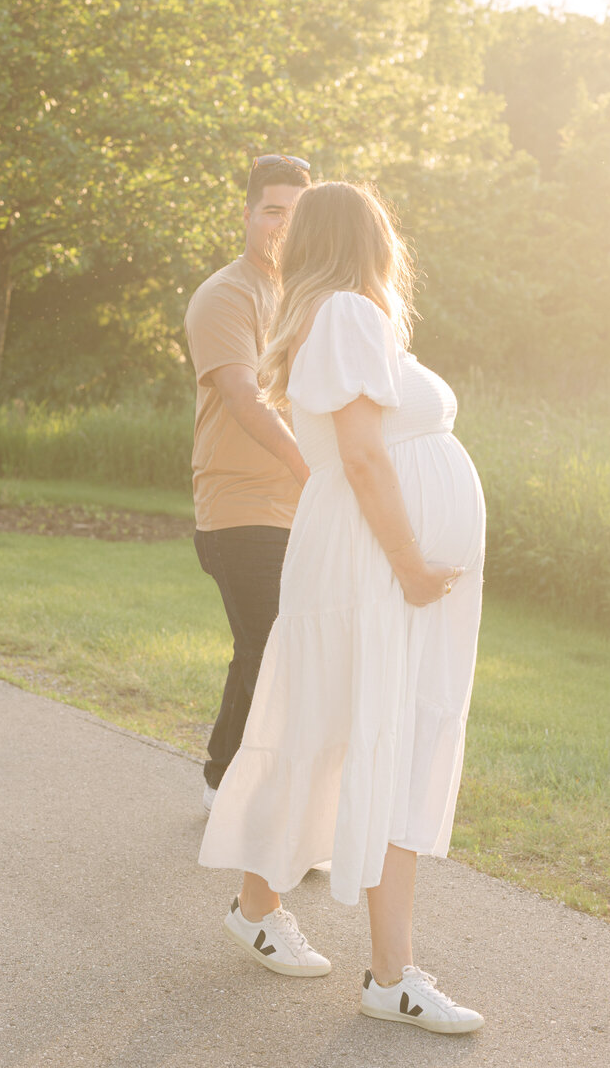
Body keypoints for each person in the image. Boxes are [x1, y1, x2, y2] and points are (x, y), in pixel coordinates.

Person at [199, 181, 487, 1036]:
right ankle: (391, 976)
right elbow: (363, 456)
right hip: (374, 561)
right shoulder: (350, 316)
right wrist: (409, 564)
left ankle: (256, 910)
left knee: (329, 728)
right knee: (383, 737)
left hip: (353, 552)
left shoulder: (327, 315)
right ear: (371, 239)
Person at [184, 154, 311, 814]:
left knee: (270, 646)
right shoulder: (226, 295)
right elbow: (241, 395)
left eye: (295, 214)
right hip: (237, 504)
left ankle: (227, 779)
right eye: (271, 211)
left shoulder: (302, 297)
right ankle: (239, 792)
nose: (281, 227)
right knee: (272, 646)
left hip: (294, 507)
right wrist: (311, 471)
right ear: (247, 214)